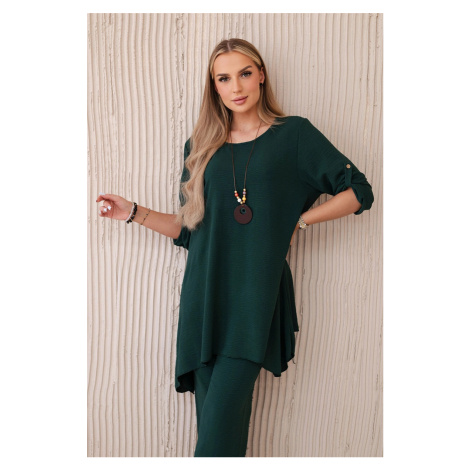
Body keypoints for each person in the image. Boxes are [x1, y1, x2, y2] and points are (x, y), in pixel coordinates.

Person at [95, 38, 374, 457]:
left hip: (254, 301)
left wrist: (298, 222)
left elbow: (359, 191)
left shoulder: (294, 135)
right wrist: (133, 212)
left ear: (261, 74)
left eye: (244, 73)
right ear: (214, 86)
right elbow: (191, 230)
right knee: (218, 437)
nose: (236, 86)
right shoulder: (199, 146)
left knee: (216, 440)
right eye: (224, 78)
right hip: (203, 301)